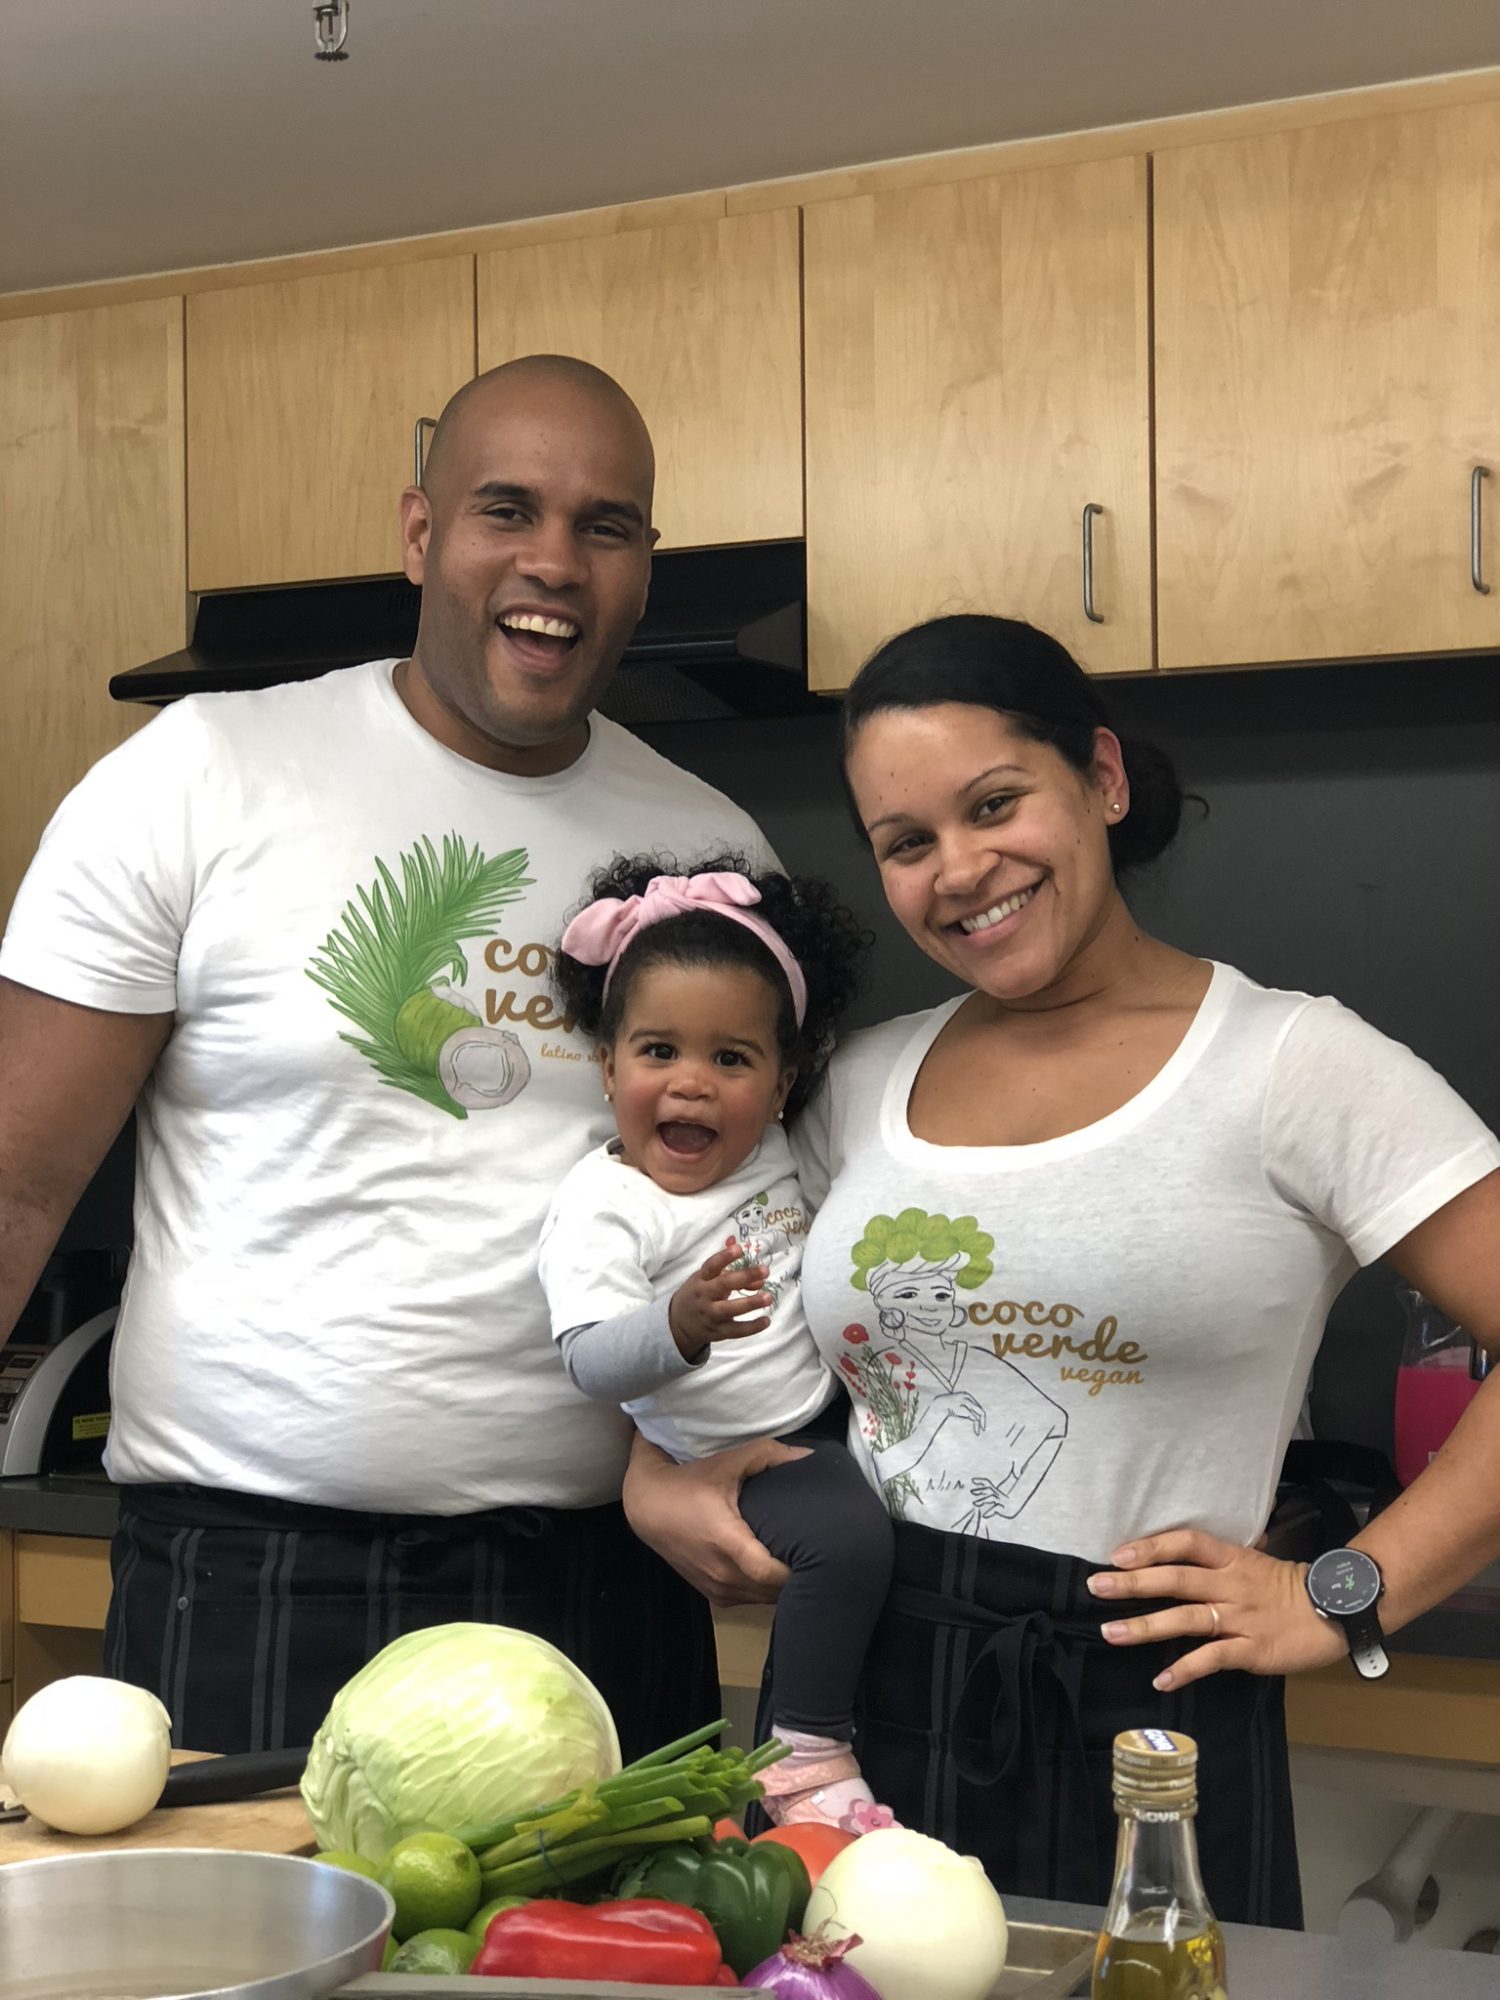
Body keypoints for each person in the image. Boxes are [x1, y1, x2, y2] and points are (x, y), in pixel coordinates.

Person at [623, 612, 1500, 1927]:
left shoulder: (1295, 1065)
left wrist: (1346, 1596)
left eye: (994, 804)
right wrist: (653, 1471)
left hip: (1151, 1710)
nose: (960, 869)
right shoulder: (857, 1082)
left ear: (1101, 776)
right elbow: (701, 1288)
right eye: (906, 842)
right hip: (856, 1702)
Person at [0, 354, 791, 1757]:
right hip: (255, 1570)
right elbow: (19, 1178)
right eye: (507, 509)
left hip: (604, 1574)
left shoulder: (715, 853)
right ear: (421, 533)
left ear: (644, 569)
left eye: (606, 526)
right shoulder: (199, 773)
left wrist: (700, 1457)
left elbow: (757, 1211)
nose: (555, 562)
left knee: (620, 1919)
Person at [540, 854, 895, 1832]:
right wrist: (678, 1326)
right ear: (607, 1066)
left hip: (825, 1413)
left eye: (732, 1060)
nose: (691, 1083)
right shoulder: (607, 1205)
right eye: (658, 1050)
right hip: (731, 1456)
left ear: (784, 1084)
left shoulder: (774, 1151)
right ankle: (804, 1754)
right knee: (847, 1539)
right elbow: (589, 1360)